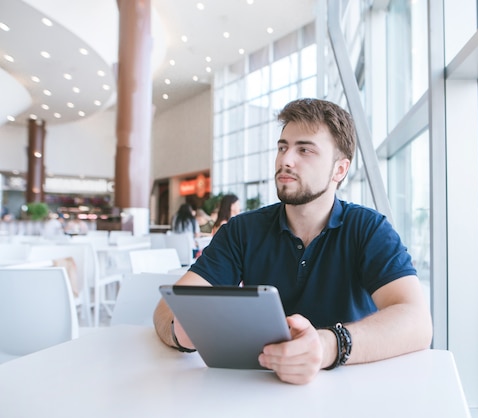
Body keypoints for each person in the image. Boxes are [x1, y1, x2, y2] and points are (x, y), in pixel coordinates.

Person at [154, 98, 432, 384]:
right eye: (283, 147)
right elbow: (167, 310)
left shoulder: (369, 229)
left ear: (340, 170)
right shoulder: (243, 230)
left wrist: (327, 346)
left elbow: (418, 321)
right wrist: (183, 332)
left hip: (351, 390)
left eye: (305, 150)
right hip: (256, 389)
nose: (286, 159)